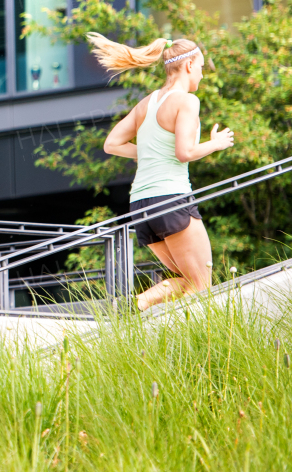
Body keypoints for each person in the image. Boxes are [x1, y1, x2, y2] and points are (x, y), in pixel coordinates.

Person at [87, 34, 235, 311]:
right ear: (189, 65)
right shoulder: (187, 102)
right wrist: (215, 144)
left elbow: (112, 144)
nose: (202, 76)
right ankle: (134, 306)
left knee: (187, 280)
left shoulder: (147, 103)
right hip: (171, 199)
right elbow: (185, 153)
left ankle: (133, 306)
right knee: (203, 285)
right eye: (202, 68)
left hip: (141, 205)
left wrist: (149, 152)